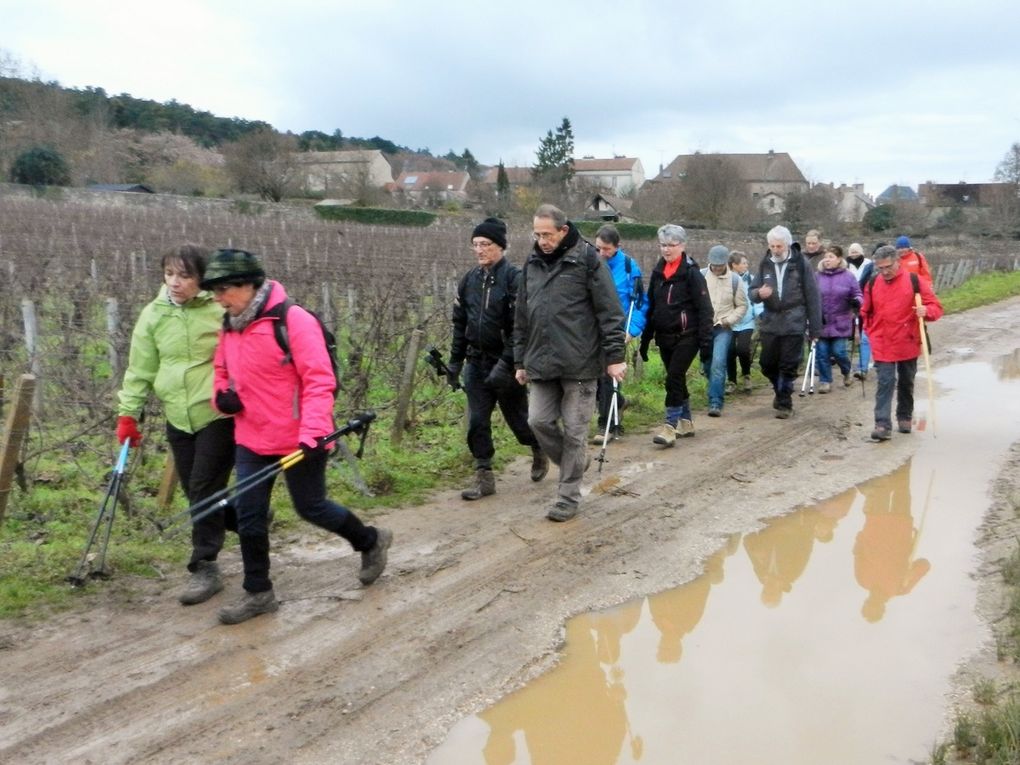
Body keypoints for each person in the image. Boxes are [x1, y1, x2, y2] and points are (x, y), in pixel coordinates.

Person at [203, 248, 392, 624]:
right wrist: (223, 397)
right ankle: (259, 593)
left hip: (301, 437)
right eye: (216, 291)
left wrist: (314, 432)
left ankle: (370, 540)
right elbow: (222, 371)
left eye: (224, 290)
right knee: (250, 516)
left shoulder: (293, 320)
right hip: (251, 437)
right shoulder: (230, 325)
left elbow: (320, 381)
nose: (218, 298)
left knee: (311, 507)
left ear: (249, 286)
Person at [116, 244, 237, 606]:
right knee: (196, 489)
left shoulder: (220, 310)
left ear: (202, 279)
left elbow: (246, 354)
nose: (175, 282)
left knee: (202, 486)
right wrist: (128, 414)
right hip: (177, 415)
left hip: (217, 413)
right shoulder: (153, 315)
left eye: (185, 275)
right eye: (169, 274)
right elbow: (140, 369)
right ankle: (247, 515)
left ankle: (205, 566)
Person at [513, 204, 626, 522]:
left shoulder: (587, 259)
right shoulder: (532, 263)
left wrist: (615, 357)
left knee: (576, 433)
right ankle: (576, 462)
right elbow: (521, 315)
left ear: (563, 231)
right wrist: (519, 359)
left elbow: (610, 311)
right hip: (540, 359)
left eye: (547, 234)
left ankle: (567, 496)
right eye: (537, 234)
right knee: (538, 421)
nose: (542, 240)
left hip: (580, 362)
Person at [448, 217, 546, 501]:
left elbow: (521, 327)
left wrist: (510, 362)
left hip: (506, 364)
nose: (479, 250)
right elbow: (459, 324)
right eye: (475, 245)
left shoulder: (515, 279)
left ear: (500, 247)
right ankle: (484, 476)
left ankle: (538, 447)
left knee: (519, 423)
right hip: (476, 363)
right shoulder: (469, 281)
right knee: (477, 421)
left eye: (485, 244)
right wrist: (455, 362)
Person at [859, 245, 943, 441]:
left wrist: (926, 311)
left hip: (907, 340)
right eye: (880, 268)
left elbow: (936, 307)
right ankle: (882, 424)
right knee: (885, 381)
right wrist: (869, 331)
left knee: (906, 381)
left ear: (898, 262)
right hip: (882, 341)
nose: (885, 272)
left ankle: (904, 417)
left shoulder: (914, 281)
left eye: (888, 266)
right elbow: (866, 311)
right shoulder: (872, 283)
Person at [639, 224, 713, 443]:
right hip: (664, 336)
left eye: (671, 245)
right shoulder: (658, 272)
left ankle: (670, 426)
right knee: (677, 378)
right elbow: (652, 307)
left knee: (673, 377)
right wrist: (645, 339)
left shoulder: (691, 274)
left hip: (687, 336)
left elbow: (705, 309)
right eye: (663, 245)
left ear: (682, 246)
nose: (666, 250)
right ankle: (686, 422)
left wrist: (705, 343)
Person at [749, 225, 822, 419]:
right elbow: (752, 291)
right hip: (771, 320)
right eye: (772, 246)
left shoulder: (801, 264)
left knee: (788, 365)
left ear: (787, 245)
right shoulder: (765, 264)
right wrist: (759, 293)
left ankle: (784, 402)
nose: (775, 250)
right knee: (767, 364)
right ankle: (779, 391)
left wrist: (815, 328)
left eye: (779, 246)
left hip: (794, 320)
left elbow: (812, 296)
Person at [591, 224, 647, 443]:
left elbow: (640, 303)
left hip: (616, 331)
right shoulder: (590, 264)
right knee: (592, 377)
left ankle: (608, 424)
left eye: (606, 249)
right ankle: (619, 402)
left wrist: (631, 330)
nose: (602, 253)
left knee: (608, 377)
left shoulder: (628, 267)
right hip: (591, 331)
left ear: (617, 246)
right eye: (598, 248)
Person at [700, 244, 747, 416]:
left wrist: (728, 321)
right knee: (707, 364)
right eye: (714, 265)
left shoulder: (735, 280)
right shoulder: (701, 276)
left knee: (718, 363)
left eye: (720, 265)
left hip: (723, 328)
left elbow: (742, 306)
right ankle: (714, 384)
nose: (717, 268)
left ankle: (715, 402)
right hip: (703, 328)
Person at [814, 245, 863, 392]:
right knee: (822, 353)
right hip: (821, 322)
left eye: (831, 257)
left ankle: (846, 372)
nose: (827, 260)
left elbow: (858, 294)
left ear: (839, 259)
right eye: (826, 257)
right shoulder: (817, 276)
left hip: (840, 321)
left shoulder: (848, 276)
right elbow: (810, 296)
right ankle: (825, 381)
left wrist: (857, 301)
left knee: (839, 352)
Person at [727, 250, 762, 394]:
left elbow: (756, 300)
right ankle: (732, 381)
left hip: (747, 322)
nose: (746, 265)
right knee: (729, 351)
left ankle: (746, 375)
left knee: (742, 349)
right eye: (743, 263)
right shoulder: (725, 280)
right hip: (729, 322)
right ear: (734, 265)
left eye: (747, 263)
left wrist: (759, 314)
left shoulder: (752, 280)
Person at [845, 242, 873, 379]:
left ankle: (863, 366)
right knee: (852, 334)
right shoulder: (845, 265)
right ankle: (854, 366)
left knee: (864, 335)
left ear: (862, 252)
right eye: (851, 251)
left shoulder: (870, 265)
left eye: (856, 251)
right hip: (849, 304)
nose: (854, 253)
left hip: (866, 303)